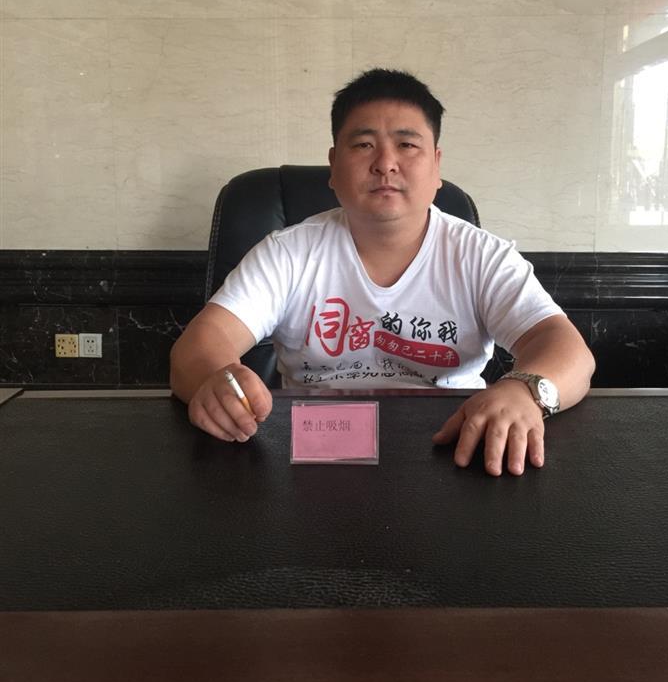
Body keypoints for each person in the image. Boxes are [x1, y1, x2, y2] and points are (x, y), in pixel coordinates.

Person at [170, 69, 594, 476]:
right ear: (334, 166)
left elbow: (568, 350)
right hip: (317, 452)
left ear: (436, 165)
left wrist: (524, 390)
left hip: (452, 444)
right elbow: (201, 345)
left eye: (407, 145)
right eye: (364, 145)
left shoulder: (481, 256)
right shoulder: (288, 253)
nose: (386, 163)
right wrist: (214, 381)